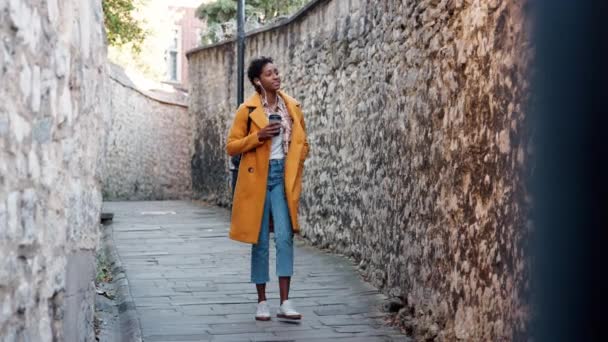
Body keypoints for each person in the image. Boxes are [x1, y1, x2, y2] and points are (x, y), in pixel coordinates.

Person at [226, 56, 309, 321]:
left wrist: (299, 158)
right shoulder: (247, 110)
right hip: (256, 178)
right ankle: (262, 301)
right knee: (260, 241)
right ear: (257, 80)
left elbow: (302, 141)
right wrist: (258, 137)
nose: (276, 76)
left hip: (282, 177)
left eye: (277, 72)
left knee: (285, 238)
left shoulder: (291, 106)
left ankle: (285, 301)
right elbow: (231, 146)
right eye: (269, 73)